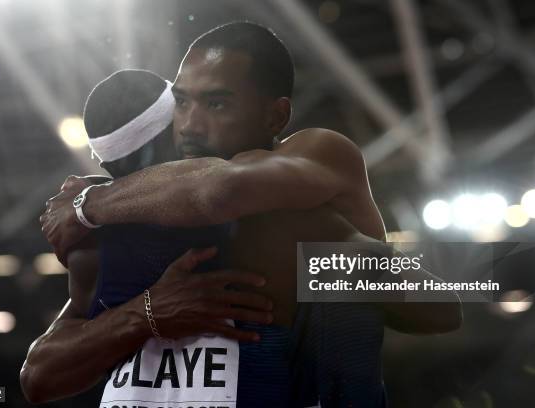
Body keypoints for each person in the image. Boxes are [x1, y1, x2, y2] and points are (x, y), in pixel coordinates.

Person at [27, 22, 462, 407]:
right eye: (182, 102)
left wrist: (89, 205)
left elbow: (222, 189)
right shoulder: (126, 225)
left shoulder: (315, 159)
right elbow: (38, 378)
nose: (191, 126)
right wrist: (144, 315)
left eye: (217, 104)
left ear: (277, 116)